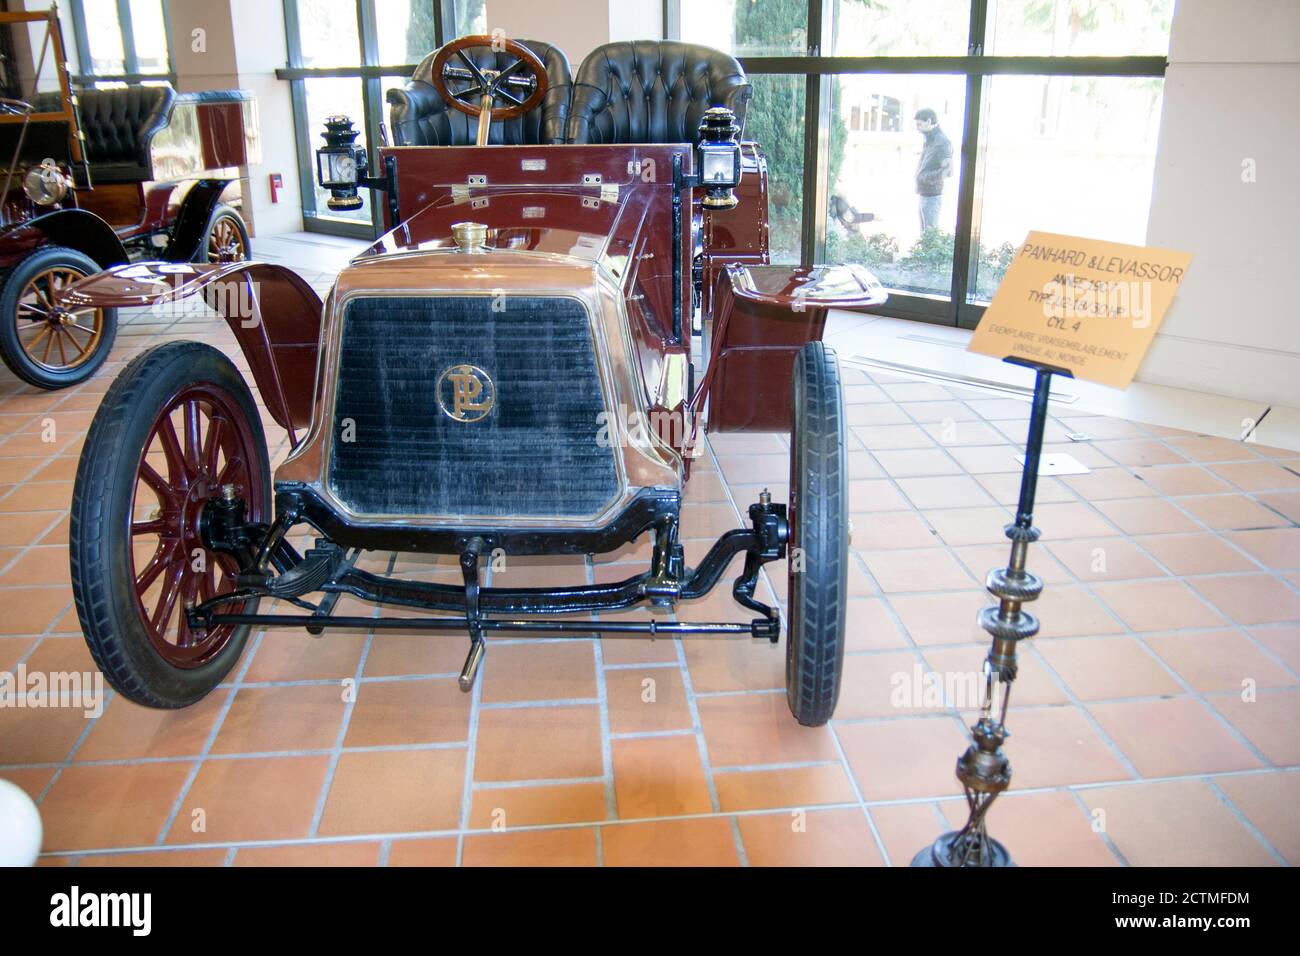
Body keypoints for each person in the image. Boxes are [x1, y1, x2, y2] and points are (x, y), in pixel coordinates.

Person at [914, 108, 952, 232]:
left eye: (919, 124)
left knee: (930, 236)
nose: (917, 128)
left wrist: (925, 178)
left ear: (929, 121)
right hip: (926, 194)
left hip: (932, 195)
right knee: (926, 236)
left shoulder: (941, 141)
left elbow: (948, 170)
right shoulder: (931, 140)